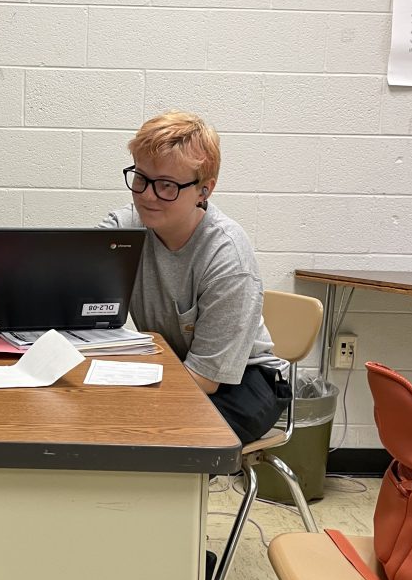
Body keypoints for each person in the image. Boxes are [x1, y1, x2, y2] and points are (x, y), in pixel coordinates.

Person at [99, 110, 289, 446]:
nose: (146, 195)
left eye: (167, 186)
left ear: (205, 190)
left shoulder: (226, 256)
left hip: (246, 382)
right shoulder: (126, 228)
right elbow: (73, 267)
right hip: (176, 364)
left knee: (160, 438)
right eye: (140, 178)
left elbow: (205, 378)